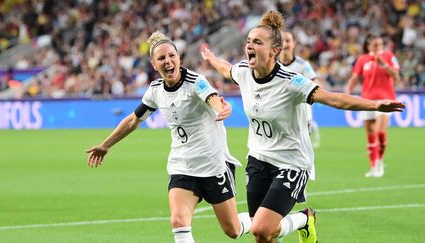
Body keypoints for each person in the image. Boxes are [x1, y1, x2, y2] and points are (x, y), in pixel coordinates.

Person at [201, 10, 405, 243]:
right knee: (263, 236)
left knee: (261, 229)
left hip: (291, 163)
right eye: (248, 41)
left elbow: (333, 99)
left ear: (274, 50)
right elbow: (226, 69)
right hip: (258, 159)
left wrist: (376, 105)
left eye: (257, 42)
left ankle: (304, 220)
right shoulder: (244, 72)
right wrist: (211, 59)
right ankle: (302, 221)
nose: (249, 46)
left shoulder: (291, 82)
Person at [86, 31, 251, 243]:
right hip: (181, 166)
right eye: (161, 58)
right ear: (154, 65)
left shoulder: (195, 82)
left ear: (179, 58)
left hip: (213, 165)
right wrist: (105, 145)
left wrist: (222, 107)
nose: (168, 61)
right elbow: (133, 120)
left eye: (172, 55)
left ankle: (263, 222)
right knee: (178, 222)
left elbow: (212, 97)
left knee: (233, 230)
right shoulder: (155, 90)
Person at [345, 34, 401, 178]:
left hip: (386, 101)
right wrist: (348, 92)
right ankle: (373, 166)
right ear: (369, 46)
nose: (378, 48)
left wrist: (384, 64)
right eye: (375, 45)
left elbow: (396, 76)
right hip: (368, 101)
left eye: (380, 45)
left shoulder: (389, 56)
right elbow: (354, 78)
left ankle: (380, 162)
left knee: (380, 132)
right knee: (370, 135)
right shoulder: (363, 59)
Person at [279, 30, 321, 148]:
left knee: (302, 151)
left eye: (288, 41)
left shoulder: (302, 65)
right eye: (282, 41)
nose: (285, 44)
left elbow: (315, 85)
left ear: (294, 43)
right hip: (280, 115)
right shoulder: (273, 66)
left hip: (301, 116)